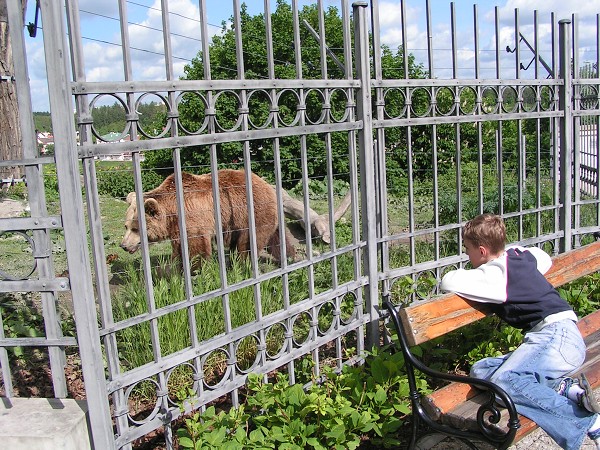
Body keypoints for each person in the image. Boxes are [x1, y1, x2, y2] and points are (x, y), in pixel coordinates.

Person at [440, 213, 600, 450]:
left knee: (503, 382)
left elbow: (448, 281)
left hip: (555, 339)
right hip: (562, 336)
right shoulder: (519, 255)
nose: (466, 254)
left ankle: (585, 421)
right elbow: (542, 256)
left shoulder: (493, 276)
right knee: (481, 369)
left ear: (482, 251)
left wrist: (485, 269)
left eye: (468, 249)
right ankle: (562, 387)